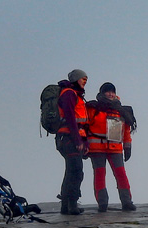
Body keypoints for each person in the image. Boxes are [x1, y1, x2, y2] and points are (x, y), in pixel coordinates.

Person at [85, 82, 137, 212]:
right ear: (102, 93)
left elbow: (126, 130)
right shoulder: (93, 108)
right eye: (108, 92)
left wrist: (128, 147)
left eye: (113, 92)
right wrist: (84, 144)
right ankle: (102, 204)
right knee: (100, 174)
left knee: (121, 174)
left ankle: (127, 202)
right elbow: (85, 127)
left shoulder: (121, 110)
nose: (111, 94)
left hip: (115, 148)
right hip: (96, 148)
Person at [55, 69, 90, 215]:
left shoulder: (77, 95)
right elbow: (70, 118)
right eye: (83, 78)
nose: (85, 80)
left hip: (71, 138)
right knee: (76, 172)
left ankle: (66, 206)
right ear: (76, 79)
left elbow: (82, 122)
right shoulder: (69, 93)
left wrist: (85, 141)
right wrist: (78, 141)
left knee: (71, 171)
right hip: (68, 138)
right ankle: (72, 205)